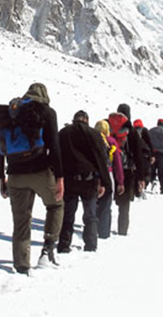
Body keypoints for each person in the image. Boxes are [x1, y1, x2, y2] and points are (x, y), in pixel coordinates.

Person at [0, 83, 63, 272]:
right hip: (40, 170)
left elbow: (0, 150)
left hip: (15, 174)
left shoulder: (11, 113)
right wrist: (60, 177)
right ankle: (48, 249)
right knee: (56, 205)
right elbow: (54, 147)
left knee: (21, 221)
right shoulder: (46, 112)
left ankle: (22, 265)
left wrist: (1, 178)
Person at [57, 110, 111, 253]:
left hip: (69, 180)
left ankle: (64, 244)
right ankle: (91, 245)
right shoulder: (94, 134)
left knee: (68, 214)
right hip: (89, 180)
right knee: (90, 215)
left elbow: (56, 157)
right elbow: (101, 159)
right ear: (87, 120)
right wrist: (104, 182)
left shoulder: (63, 133)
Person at [108, 104, 147, 235]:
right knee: (124, 205)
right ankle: (122, 230)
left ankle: (101, 229)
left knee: (105, 202)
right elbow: (138, 155)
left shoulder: (108, 125)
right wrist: (141, 177)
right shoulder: (132, 131)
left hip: (109, 169)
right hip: (126, 171)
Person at [94, 119, 124, 240]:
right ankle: (104, 232)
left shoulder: (91, 140)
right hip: (108, 174)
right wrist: (120, 181)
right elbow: (117, 163)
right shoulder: (111, 141)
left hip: (93, 175)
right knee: (106, 205)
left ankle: (92, 229)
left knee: (93, 204)